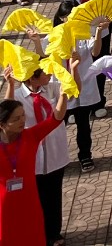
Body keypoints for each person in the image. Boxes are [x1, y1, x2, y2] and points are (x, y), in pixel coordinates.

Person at [0, 66, 72, 246]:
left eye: (23, 116)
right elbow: (6, 105)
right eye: (16, 119)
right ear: (2, 124)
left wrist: (63, 95)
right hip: (4, 210)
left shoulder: (30, 136)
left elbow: (55, 119)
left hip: (30, 205)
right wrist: (10, 85)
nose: (22, 121)